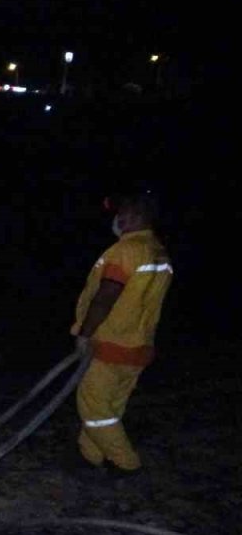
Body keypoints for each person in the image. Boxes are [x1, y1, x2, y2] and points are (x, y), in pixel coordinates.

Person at [71, 191, 173, 474]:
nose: (117, 219)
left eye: (123, 212)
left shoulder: (125, 251)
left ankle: (126, 464)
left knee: (94, 409)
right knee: (109, 408)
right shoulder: (157, 250)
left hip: (110, 345)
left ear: (136, 215)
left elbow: (107, 294)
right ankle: (89, 456)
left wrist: (84, 332)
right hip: (138, 347)